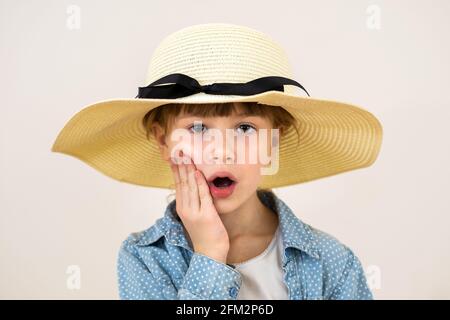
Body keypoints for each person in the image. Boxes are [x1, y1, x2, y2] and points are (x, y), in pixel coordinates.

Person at [51, 23, 383, 300]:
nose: (222, 151)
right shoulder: (145, 258)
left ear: (274, 138)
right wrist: (209, 254)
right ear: (162, 139)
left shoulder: (331, 262)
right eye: (197, 127)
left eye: (244, 127)